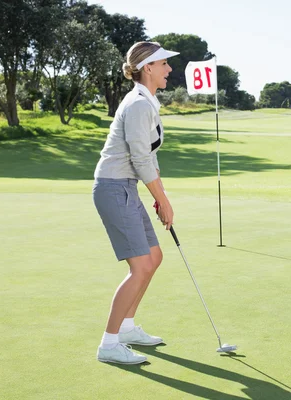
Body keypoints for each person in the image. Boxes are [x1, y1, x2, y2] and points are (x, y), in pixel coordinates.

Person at [93, 41, 179, 364]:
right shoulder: (139, 105)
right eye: (163, 64)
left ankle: (126, 328)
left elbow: (149, 158)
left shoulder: (147, 102)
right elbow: (141, 160)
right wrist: (163, 200)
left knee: (153, 257)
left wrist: (161, 196)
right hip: (114, 188)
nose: (169, 69)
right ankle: (109, 343)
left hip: (126, 186)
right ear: (148, 69)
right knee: (140, 266)